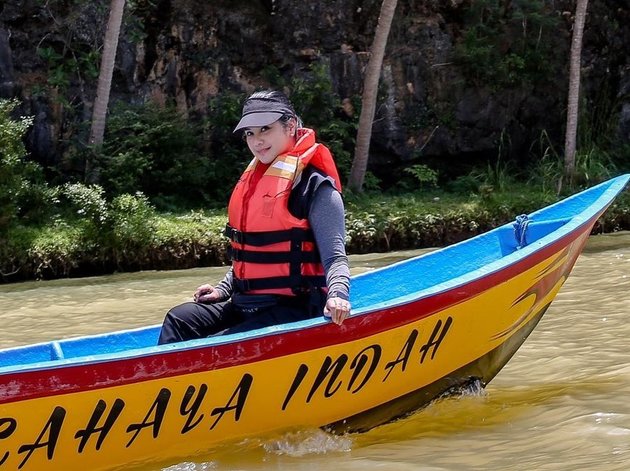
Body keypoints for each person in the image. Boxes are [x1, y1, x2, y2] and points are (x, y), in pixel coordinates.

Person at [158, 90, 351, 344]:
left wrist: (338, 294)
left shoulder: (317, 188)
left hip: (294, 306)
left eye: (265, 129)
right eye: (250, 133)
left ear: (290, 125)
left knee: (221, 341)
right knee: (180, 318)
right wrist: (222, 289)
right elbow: (254, 253)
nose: (257, 141)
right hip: (247, 303)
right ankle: (164, 380)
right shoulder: (253, 182)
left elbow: (335, 257)